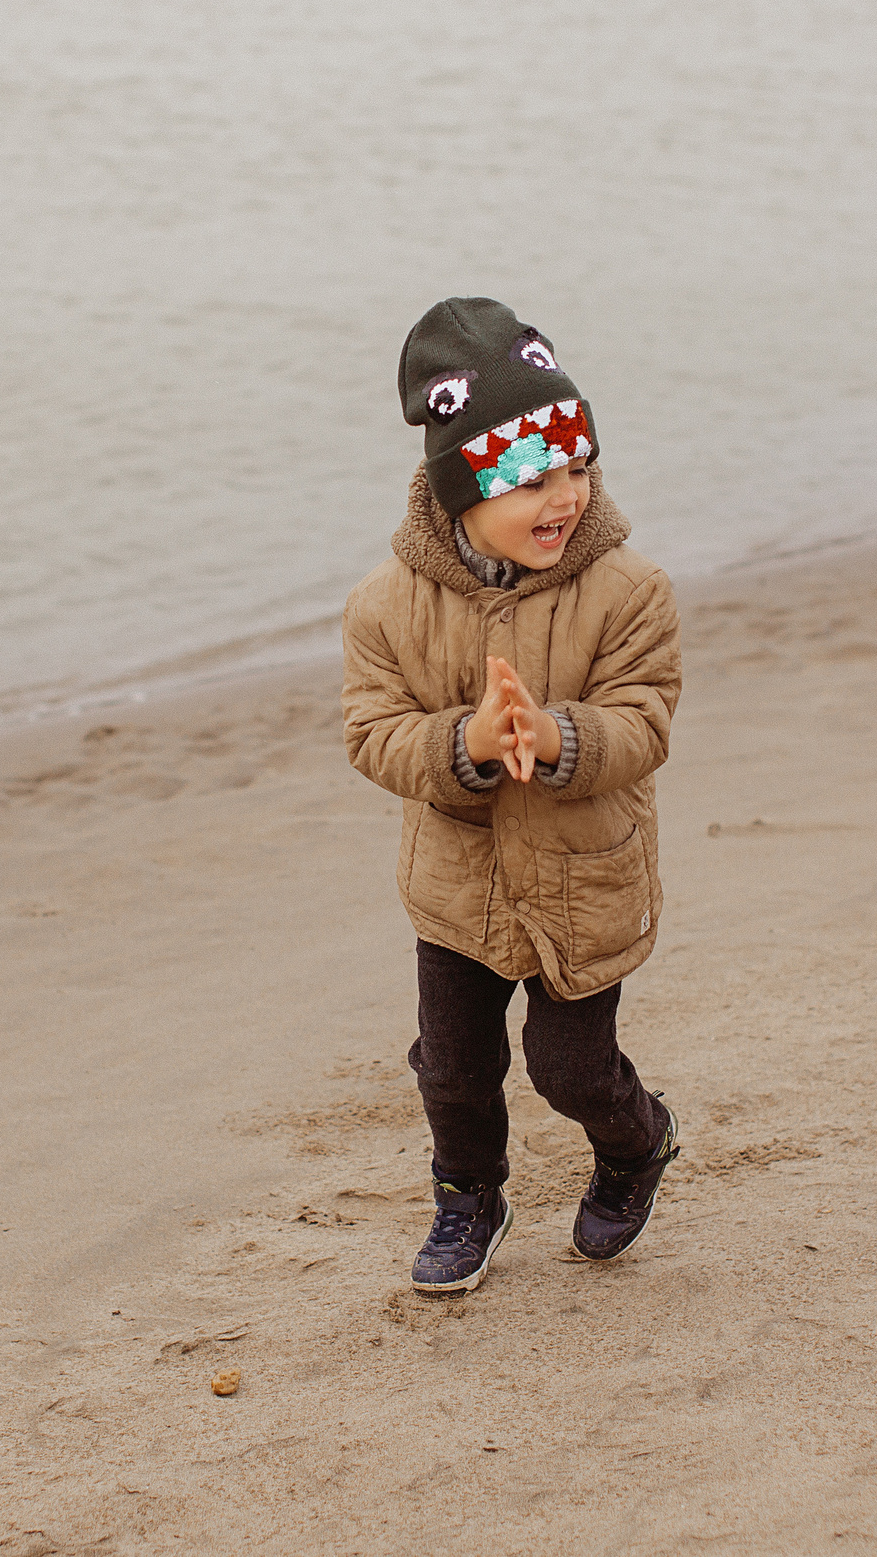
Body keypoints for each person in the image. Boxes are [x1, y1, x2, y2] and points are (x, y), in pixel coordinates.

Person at [342, 296, 684, 1295]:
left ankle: (636, 1143)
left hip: (582, 877)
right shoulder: (384, 606)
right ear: (459, 492)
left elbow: (646, 716)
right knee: (450, 1069)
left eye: (574, 467)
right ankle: (467, 1196)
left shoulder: (628, 591)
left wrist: (557, 734)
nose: (561, 495)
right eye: (527, 477)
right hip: (457, 885)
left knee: (569, 1070)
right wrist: (472, 743)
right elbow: (371, 734)